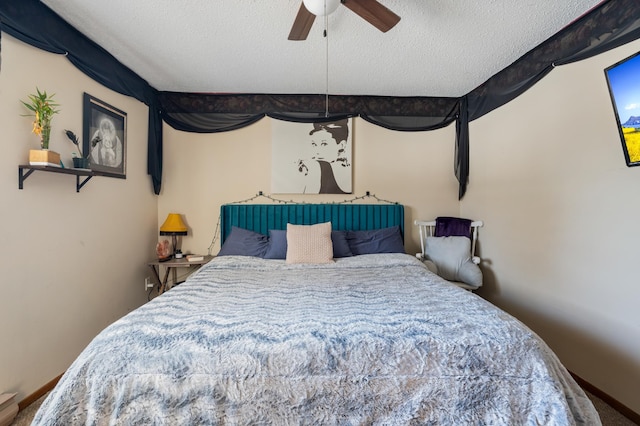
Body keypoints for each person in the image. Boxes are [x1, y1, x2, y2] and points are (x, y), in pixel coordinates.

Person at [297, 119, 351, 194]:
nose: (317, 151)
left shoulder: (316, 166)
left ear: (342, 145)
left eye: (324, 144)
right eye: (314, 144)